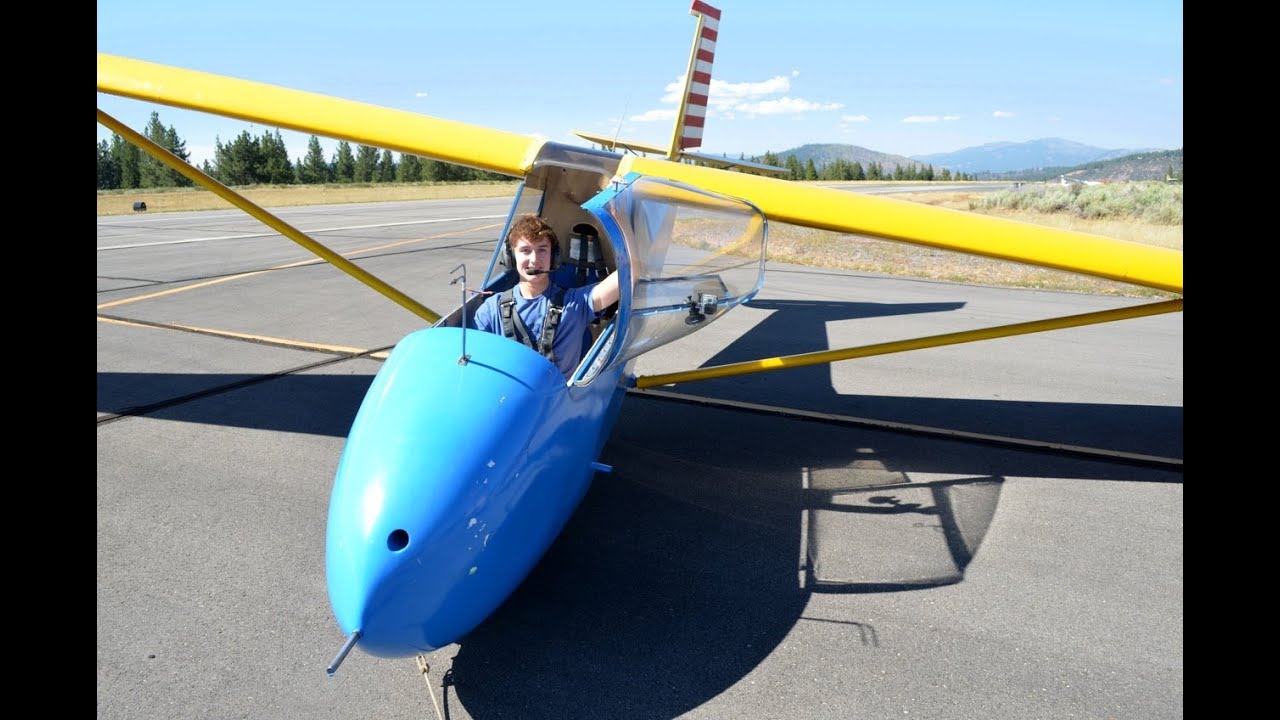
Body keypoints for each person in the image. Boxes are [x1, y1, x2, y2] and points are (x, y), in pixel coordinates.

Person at [472, 214, 620, 380]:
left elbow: (624, 277)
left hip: (559, 403)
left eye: (542, 250)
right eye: (525, 251)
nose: (534, 260)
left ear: (553, 257)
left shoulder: (575, 303)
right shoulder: (491, 310)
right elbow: (472, 363)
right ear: (511, 257)